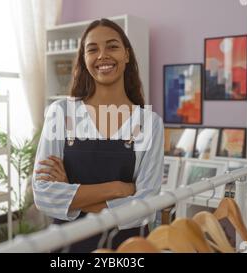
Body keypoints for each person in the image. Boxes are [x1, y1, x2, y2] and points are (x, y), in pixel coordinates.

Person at [32, 18, 163, 253]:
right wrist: (119, 188)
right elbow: (43, 195)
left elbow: (146, 206)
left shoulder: (149, 123)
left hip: (128, 247)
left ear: (127, 55)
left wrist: (72, 192)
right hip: (68, 245)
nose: (102, 55)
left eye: (112, 46)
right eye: (92, 49)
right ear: (84, 58)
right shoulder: (60, 113)